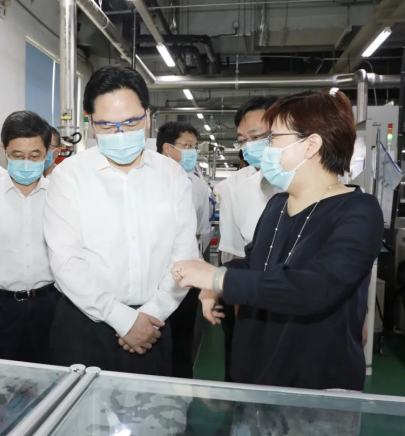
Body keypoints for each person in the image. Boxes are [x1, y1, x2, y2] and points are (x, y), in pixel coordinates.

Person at [173, 88, 384, 393]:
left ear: (311, 145)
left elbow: (315, 287)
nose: (265, 149)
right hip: (256, 373)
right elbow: (258, 263)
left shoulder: (358, 211)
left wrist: (219, 278)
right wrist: (214, 281)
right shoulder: (277, 204)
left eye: (272, 138)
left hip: (315, 385)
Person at [44, 66, 198, 376]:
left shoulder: (171, 175)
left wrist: (150, 316)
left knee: (152, 407)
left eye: (131, 122)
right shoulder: (69, 177)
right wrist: (124, 320)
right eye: (106, 125)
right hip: (85, 325)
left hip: (154, 324)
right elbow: (66, 262)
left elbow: (183, 256)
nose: (120, 134)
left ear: (147, 116)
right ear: (90, 121)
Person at [0, 111, 60, 364]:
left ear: (47, 153)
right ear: (5, 151)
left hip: (51, 304)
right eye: (18, 156)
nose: (26, 162)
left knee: (51, 376)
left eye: (35, 156)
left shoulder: (61, 198)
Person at [157, 120, 211, 378]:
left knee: (182, 338)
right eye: (187, 146)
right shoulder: (145, 181)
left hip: (185, 275)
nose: (193, 152)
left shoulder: (198, 186)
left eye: (194, 147)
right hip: (152, 275)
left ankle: (181, 389)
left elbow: (199, 232)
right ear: (168, 148)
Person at [218, 96, 279, 265]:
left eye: (256, 137)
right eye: (242, 141)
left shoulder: (301, 179)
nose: (249, 146)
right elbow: (235, 251)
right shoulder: (236, 187)